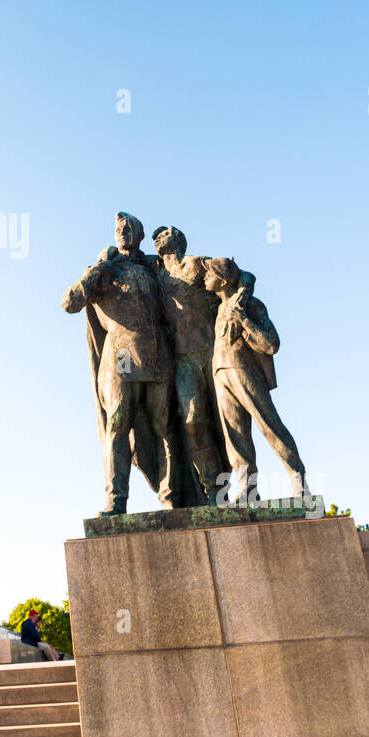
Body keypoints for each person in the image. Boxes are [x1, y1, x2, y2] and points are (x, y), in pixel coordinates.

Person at [62, 212, 175, 516]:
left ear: (138, 233)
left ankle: (171, 497)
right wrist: (95, 273)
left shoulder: (155, 266)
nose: (123, 233)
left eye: (128, 228)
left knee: (165, 425)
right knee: (118, 423)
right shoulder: (104, 269)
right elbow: (69, 303)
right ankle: (116, 500)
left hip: (157, 352)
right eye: (118, 229)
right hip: (122, 353)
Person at [203, 257, 308, 505]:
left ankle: (298, 478)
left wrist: (244, 320)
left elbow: (272, 344)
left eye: (209, 274)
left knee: (269, 426)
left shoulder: (251, 306)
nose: (205, 277)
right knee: (235, 436)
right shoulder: (218, 308)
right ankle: (247, 489)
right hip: (220, 372)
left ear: (222, 279)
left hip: (245, 370)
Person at [151, 225, 229, 503]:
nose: (159, 236)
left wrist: (240, 300)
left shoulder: (196, 264)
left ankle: (245, 489)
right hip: (182, 360)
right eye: (157, 235)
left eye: (166, 232)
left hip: (213, 354)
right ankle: (214, 491)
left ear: (179, 240)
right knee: (193, 421)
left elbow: (240, 275)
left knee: (229, 423)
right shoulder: (156, 275)